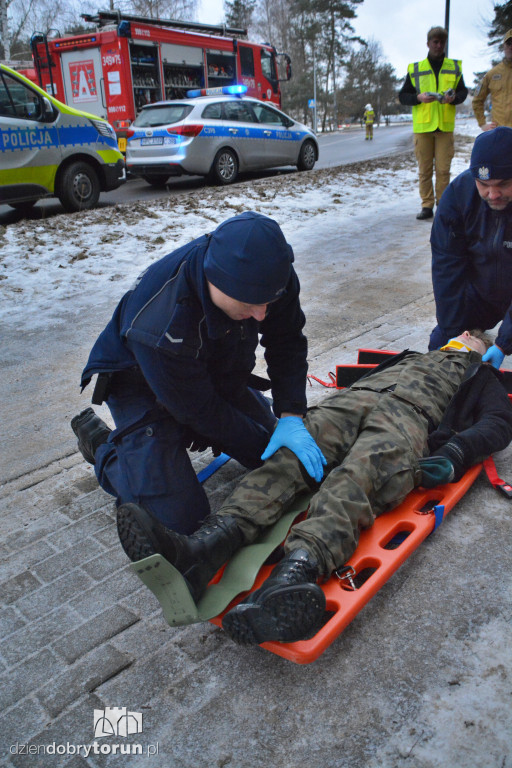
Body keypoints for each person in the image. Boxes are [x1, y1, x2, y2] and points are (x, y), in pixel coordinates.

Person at [115, 330, 512, 644]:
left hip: (408, 418)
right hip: (351, 405)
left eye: (470, 336)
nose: (461, 336)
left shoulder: (481, 376)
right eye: (460, 332)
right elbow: (357, 379)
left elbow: (498, 423)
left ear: (482, 347)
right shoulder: (412, 356)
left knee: (356, 480)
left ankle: (293, 576)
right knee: (290, 461)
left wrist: (457, 450)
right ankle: (201, 550)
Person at [71, 211, 325, 536]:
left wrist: (291, 415)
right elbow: (200, 410)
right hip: (140, 382)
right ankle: (104, 448)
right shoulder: (161, 322)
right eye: (251, 304)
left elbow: (287, 339)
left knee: (276, 456)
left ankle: (164, 450)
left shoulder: (269, 278)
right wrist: (246, 437)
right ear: (214, 279)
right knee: (180, 521)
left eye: (268, 302)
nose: (262, 314)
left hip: (207, 372)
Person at [429, 126, 512, 369]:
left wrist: (504, 343)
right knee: (441, 341)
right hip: (481, 290)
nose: (493, 194)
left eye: (503, 184)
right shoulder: (458, 196)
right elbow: (447, 268)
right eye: (483, 184)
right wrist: (453, 331)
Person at [399, 26, 468, 220]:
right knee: (425, 170)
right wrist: (418, 98)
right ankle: (427, 205)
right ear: (428, 44)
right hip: (423, 128)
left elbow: (463, 92)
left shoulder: (454, 68)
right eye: (435, 42)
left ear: (444, 44)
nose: (438, 45)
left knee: (444, 169)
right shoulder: (416, 69)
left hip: (444, 127)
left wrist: (453, 98)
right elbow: (402, 96)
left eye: (441, 42)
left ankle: (443, 205)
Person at [472, 29, 512, 131]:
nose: (511, 47)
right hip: (500, 134)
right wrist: (483, 124)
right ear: (504, 46)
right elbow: (477, 100)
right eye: (508, 43)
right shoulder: (492, 74)